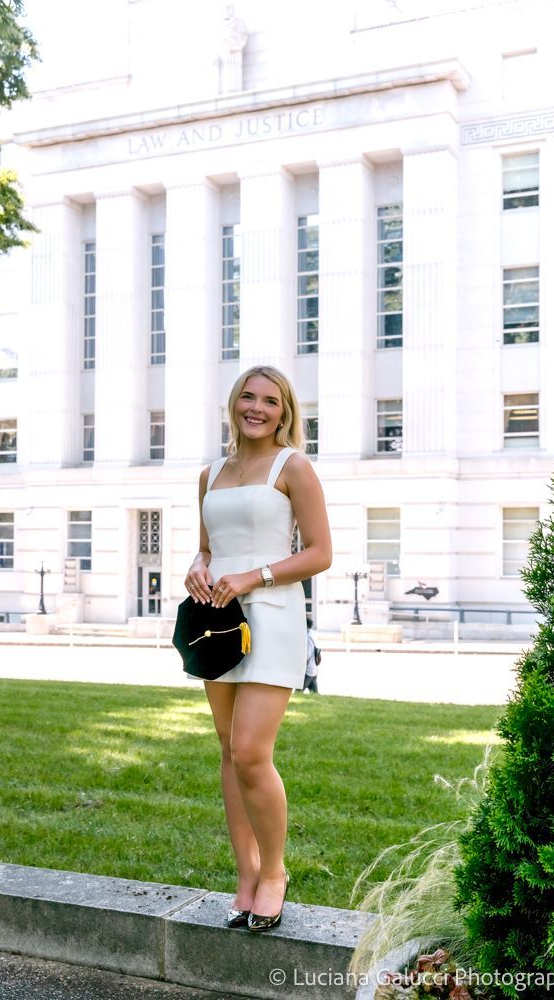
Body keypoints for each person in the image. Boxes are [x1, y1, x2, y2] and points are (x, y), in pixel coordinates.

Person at [184, 365, 332, 931]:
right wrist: (198, 567)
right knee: (226, 750)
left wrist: (253, 576)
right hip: (216, 621)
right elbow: (206, 545)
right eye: (248, 396)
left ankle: (274, 872)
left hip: (271, 617)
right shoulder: (210, 473)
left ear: (285, 411)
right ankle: (245, 876)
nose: (257, 407)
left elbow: (319, 553)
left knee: (249, 750)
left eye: (270, 401)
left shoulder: (292, 466)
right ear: (234, 403)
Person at [303, 616, 319, 693]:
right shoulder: (312, 634)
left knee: (299, 690)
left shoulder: (308, 637)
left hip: (308, 670)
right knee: (315, 693)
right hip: (314, 669)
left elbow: (307, 654)